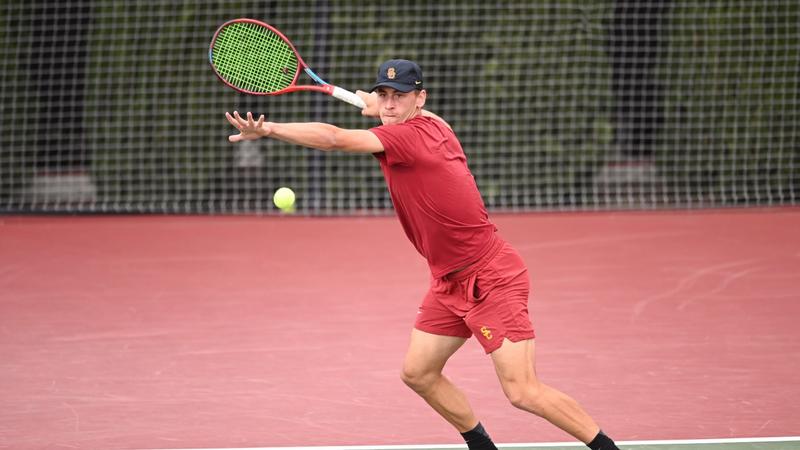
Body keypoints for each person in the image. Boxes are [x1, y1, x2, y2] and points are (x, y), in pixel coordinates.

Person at [225, 59, 621, 450]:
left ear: (420, 98)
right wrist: (380, 107)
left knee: (522, 392)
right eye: (384, 94)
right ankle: (481, 446)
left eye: (401, 96)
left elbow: (333, 138)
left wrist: (271, 128)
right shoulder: (437, 125)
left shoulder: (406, 137)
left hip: (490, 277)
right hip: (448, 281)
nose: (391, 103)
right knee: (419, 373)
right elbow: (408, 113)